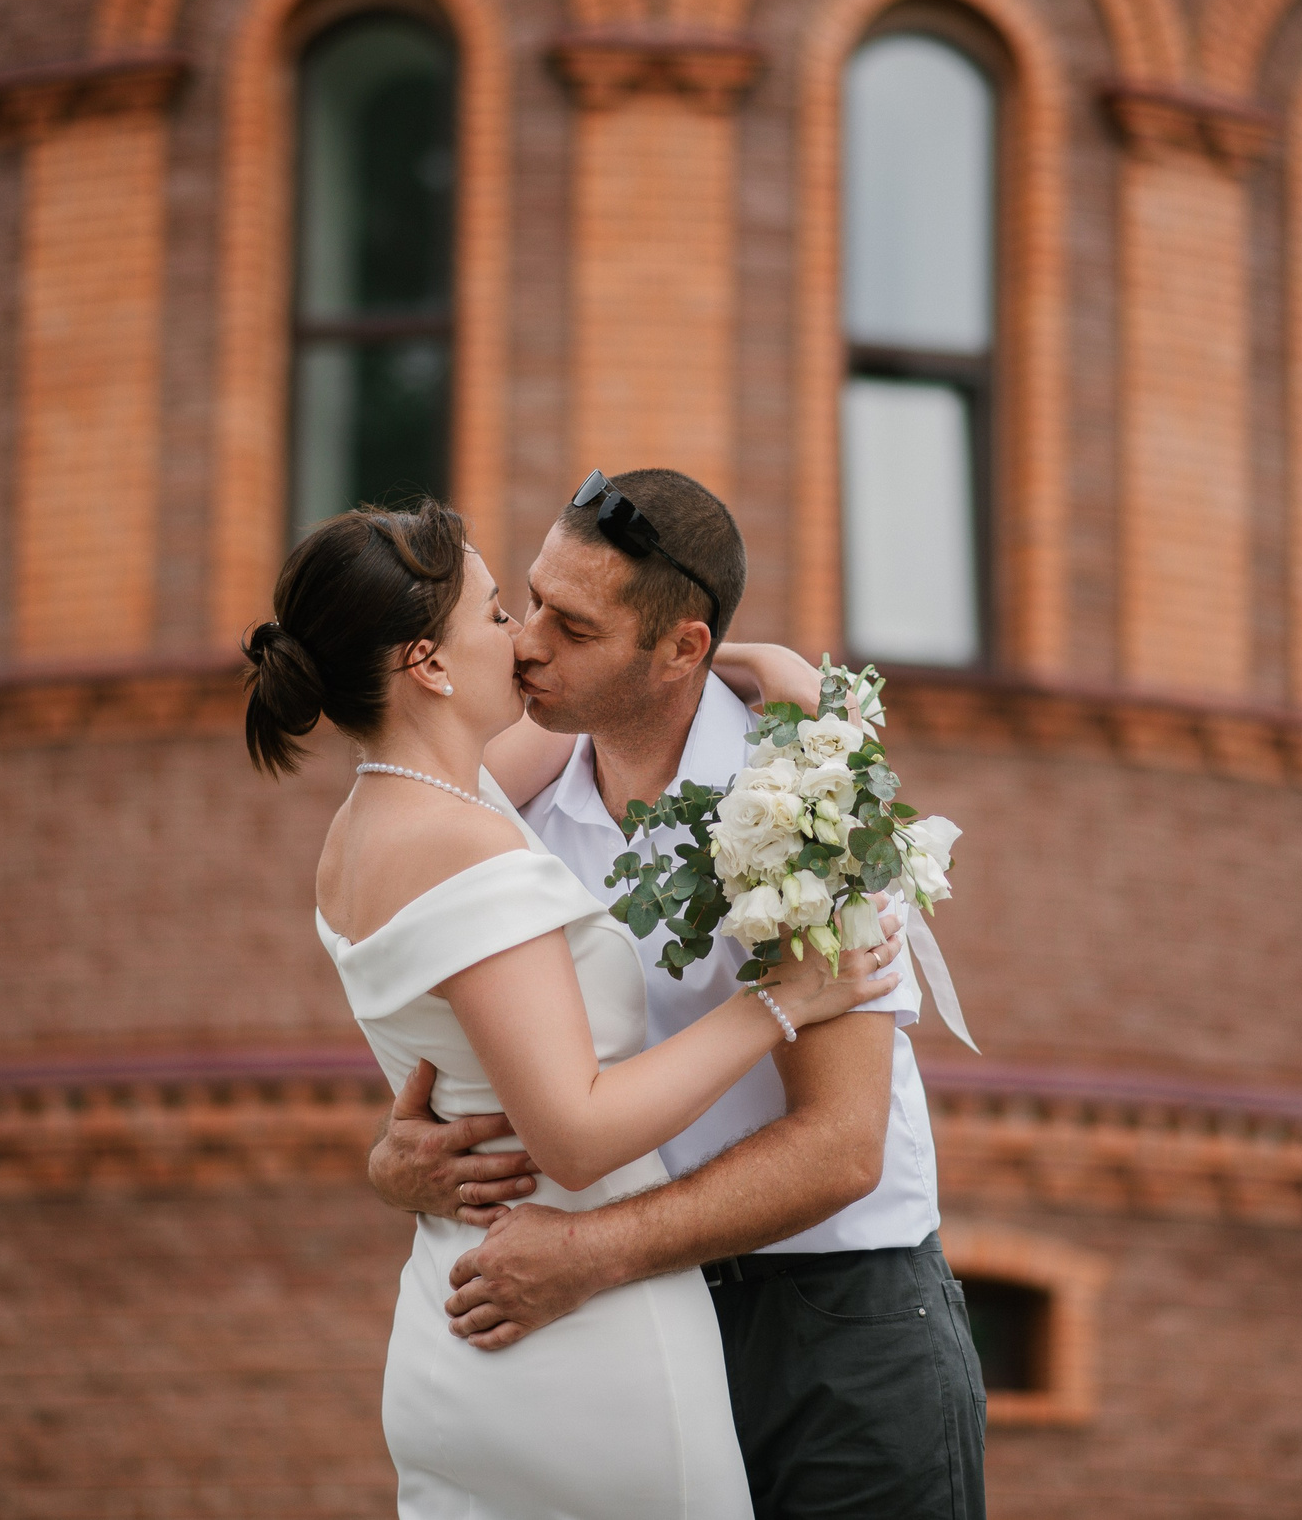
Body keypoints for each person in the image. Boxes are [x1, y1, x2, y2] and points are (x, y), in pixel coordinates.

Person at [242, 496, 903, 1520]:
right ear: (426, 662)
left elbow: (603, 710)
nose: (527, 643)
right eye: (505, 611)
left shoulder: (383, 815)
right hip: (578, 1331)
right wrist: (778, 1002)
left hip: (462, 1302)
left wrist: (794, 699)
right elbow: (577, 1131)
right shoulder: (465, 841)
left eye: (563, 622)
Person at [369, 469, 988, 1520]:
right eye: (529, 603)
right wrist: (393, 1161)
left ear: (682, 649)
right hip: (633, 1345)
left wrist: (588, 1254)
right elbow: (453, 1049)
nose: (525, 644)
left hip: (835, 1339)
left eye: (573, 627)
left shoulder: (800, 799)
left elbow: (841, 1148)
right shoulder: (512, 812)